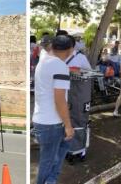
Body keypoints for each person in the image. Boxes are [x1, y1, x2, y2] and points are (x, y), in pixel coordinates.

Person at [32, 35, 74, 184]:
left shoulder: (43, 61)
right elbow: (59, 99)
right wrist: (68, 125)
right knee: (48, 162)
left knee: (52, 157)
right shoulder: (60, 65)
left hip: (42, 120)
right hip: (51, 123)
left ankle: (50, 180)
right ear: (70, 50)